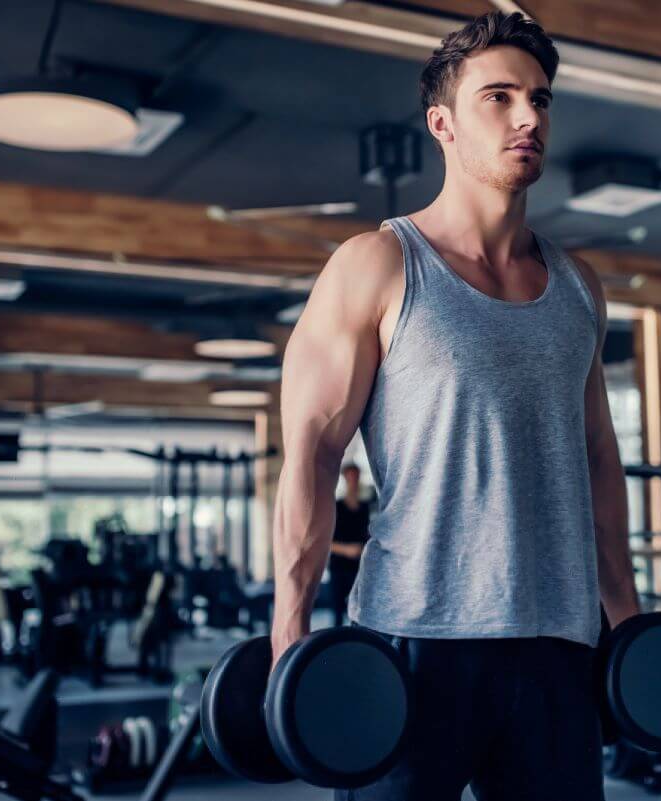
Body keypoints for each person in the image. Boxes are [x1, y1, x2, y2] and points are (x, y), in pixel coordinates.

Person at [270, 11, 640, 801]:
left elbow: (600, 459)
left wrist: (628, 618)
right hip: (412, 642)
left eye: (540, 99)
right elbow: (312, 451)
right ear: (442, 122)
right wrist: (289, 629)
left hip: (557, 645)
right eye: (498, 97)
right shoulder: (377, 264)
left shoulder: (580, 288)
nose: (528, 117)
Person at [328, 462, 369, 628]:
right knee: (337, 611)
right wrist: (346, 550)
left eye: (356, 477)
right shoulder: (336, 507)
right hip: (339, 566)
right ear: (345, 479)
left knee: (360, 612)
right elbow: (325, 542)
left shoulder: (365, 507)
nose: (354, 480)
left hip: (359, 567)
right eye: (350, 477)